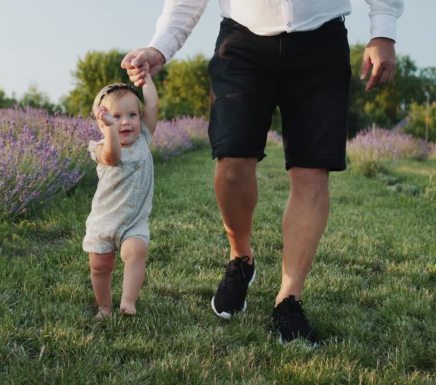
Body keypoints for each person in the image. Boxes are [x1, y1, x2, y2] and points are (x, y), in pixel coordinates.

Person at [121, 0, 403, 343]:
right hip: (242, 42)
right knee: (231, 162)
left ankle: (289, 298)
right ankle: (241, 258)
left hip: (321, 39)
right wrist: (160, 47)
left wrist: (383, 30)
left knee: (312, 171)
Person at [83, 71, 158, 320]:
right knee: (100, 266)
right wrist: (110, 130)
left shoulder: (144, 139)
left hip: (133, 221)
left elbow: (153, 105)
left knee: (136, 251)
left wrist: (146, 80)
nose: (125, 122)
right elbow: (113, 155)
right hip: (104, 222)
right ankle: (104, 306)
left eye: (132, 115)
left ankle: (128, 302)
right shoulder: (102, 148)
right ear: (102, 123)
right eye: (116, 117)